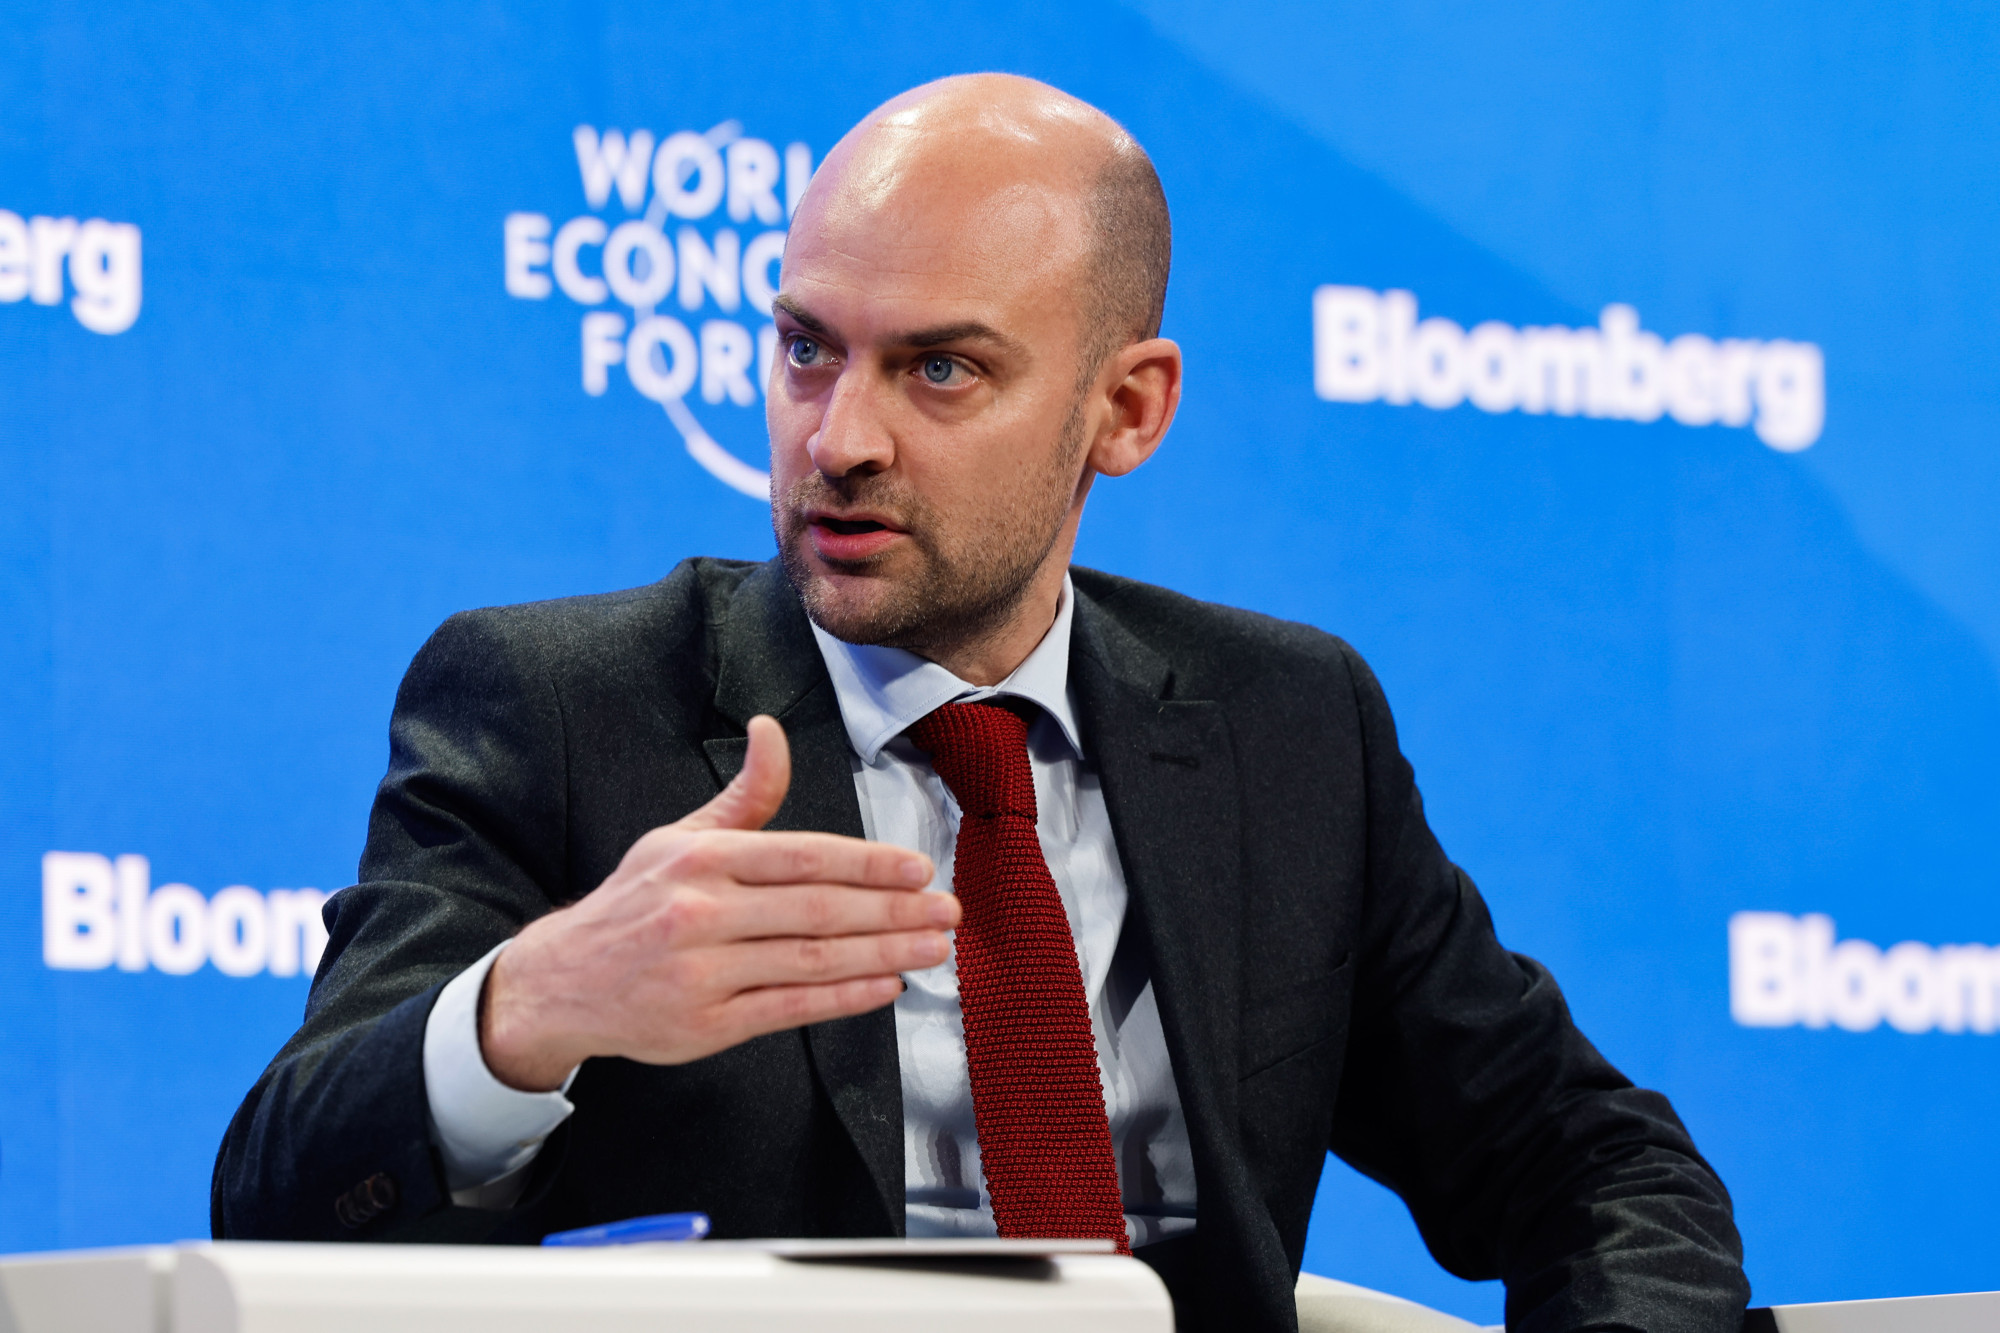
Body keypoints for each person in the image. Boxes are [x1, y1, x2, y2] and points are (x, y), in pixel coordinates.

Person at [213, 73, 1748, 1331]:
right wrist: (527, 1011)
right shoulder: (562, 705)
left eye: (939, 370)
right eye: (806, 349)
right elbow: (275, 1198)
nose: (839, 438)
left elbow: (1593, 1163)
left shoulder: (1288, 728)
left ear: (1125, 408)